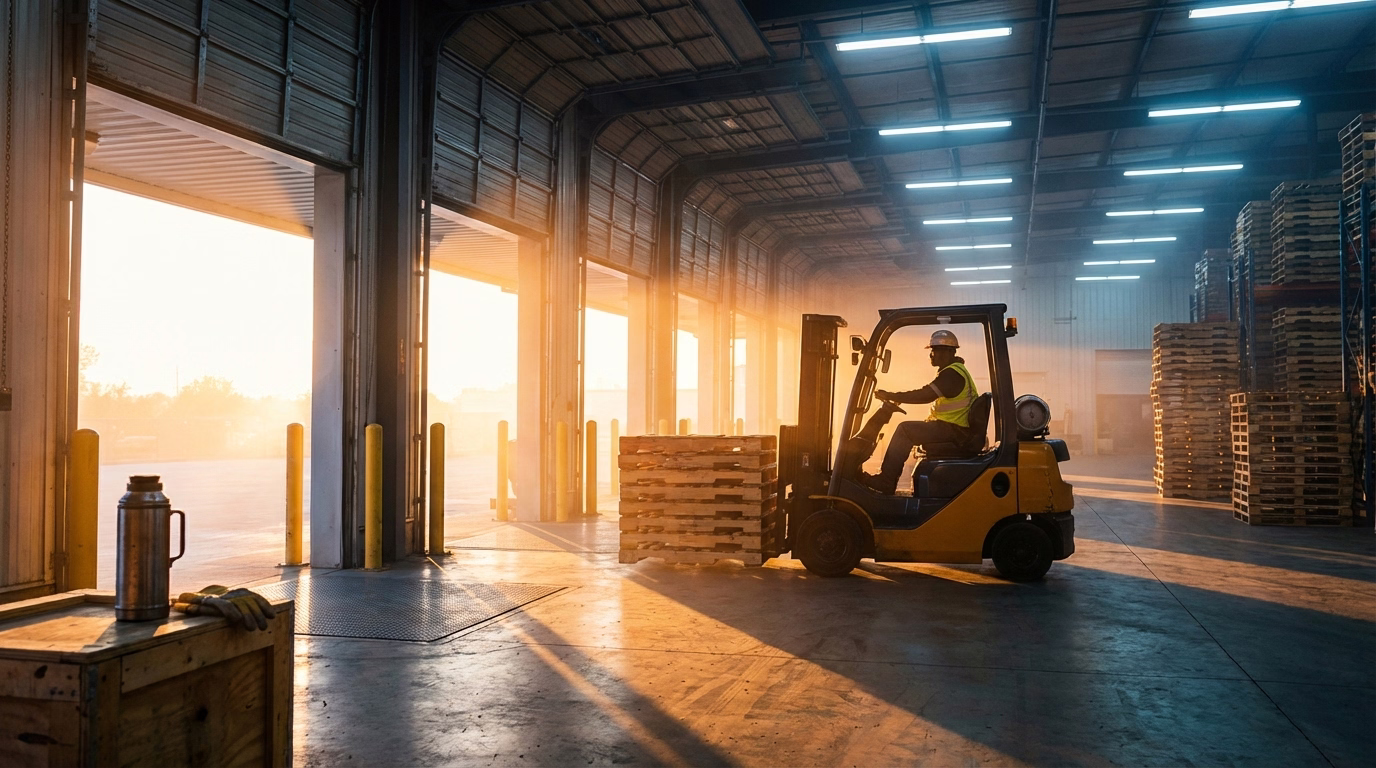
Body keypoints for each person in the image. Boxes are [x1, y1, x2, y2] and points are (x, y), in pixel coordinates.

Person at [862, 329, 980, 495]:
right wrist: (897, 397)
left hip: (954, 430)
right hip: (954, 429)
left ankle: (886, 481)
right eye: (932, 351)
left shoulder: (952, 374)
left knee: (905, 430)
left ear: (948, 352)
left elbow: (925, 395)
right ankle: (886, 480)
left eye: (934, 351)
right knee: (909, 429)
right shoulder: (954, 371)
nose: (931, 355)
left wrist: (891, 395)